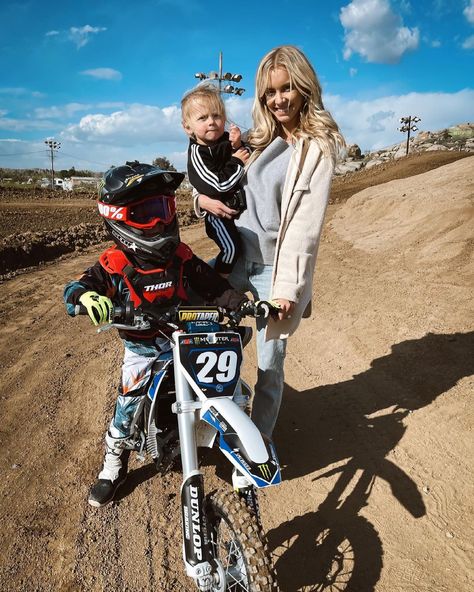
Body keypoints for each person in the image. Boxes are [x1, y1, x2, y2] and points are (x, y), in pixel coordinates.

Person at [64, 161, 248, 508]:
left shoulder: (180, 255)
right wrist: (84, 297)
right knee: (128, 402)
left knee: (227, 380)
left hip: (184, 338)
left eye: (164, 208)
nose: (160, 221)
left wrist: (239, 303)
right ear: (118, 216)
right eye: (147, 212)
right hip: (143, 350)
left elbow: (212, 284)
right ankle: (113, 465)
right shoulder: (112, 263)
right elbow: (77, 288)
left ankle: (238, 435)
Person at [195, 46, 345, 438]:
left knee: (269, 364)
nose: (277, 100)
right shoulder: (258, 139)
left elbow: (304, 226)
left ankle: (258, 444)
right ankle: (194, 424)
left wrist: (288, 290)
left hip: (272, 273)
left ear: (304, 88)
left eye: (286, 89)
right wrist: (200, 201)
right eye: (269, 92)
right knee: (190, 322)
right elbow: (210, 179)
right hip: (234, 258)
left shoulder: (316, 148)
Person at [182, 83, 250, 276]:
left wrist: (237, 144)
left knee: (239, 248)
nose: (211, 122)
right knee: (231, 249)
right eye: (202, 118)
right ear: (188, 127)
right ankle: (220, 281)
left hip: (235, 211)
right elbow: (217, 186)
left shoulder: (224, 140)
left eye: (216, 116)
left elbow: (246, 153)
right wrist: (236, 162)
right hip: (218, 217)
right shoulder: (197, 154)